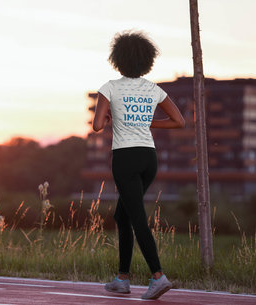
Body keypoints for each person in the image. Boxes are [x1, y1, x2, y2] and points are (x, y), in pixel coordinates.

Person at [92, 30, 185, 300]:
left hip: (126, 158)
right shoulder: (153, 89)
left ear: (117, 60)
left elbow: (97, 126)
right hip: (149, 158)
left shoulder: (110, 87)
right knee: (122, 216)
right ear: (147, 60)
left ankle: (158, 276)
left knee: (136, 218)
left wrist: (113, 116)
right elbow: (179, 121)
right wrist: (144, 121)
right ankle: (122, 278)